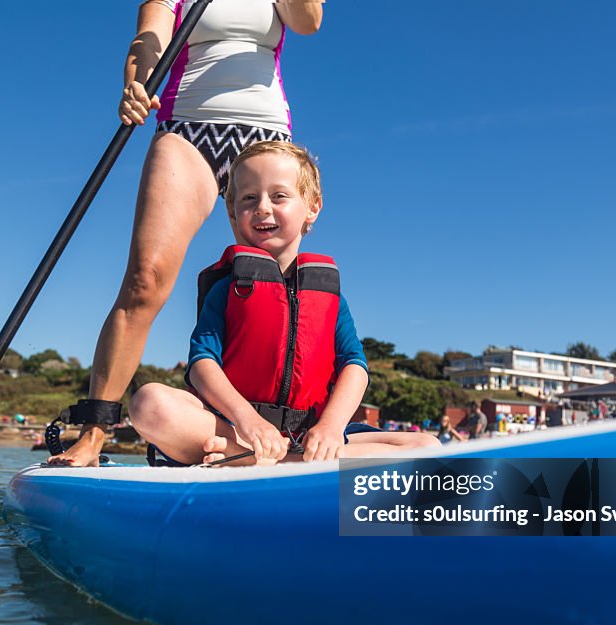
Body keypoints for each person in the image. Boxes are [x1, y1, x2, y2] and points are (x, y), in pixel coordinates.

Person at [50, 0, 325, 466]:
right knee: (145, 279)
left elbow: (308, 21)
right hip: (187, 130)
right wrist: (136, 82)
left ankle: (277, 434)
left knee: (270, 289)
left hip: (264, 136)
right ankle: (94, 435)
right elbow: (148, 42)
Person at [127, 142, 438, 465]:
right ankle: (255, 455)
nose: (262, 207)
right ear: (233, 212)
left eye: (278, 196)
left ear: (312, 207)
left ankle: (257, 461)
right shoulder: (226, 289)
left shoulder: (330, 298)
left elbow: (354, 367)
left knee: (427, 445)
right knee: (149, 404)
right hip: (236, 428)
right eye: (249, 198)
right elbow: (202, 365)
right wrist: (248, 421)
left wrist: (331, 427)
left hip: (310, 434)